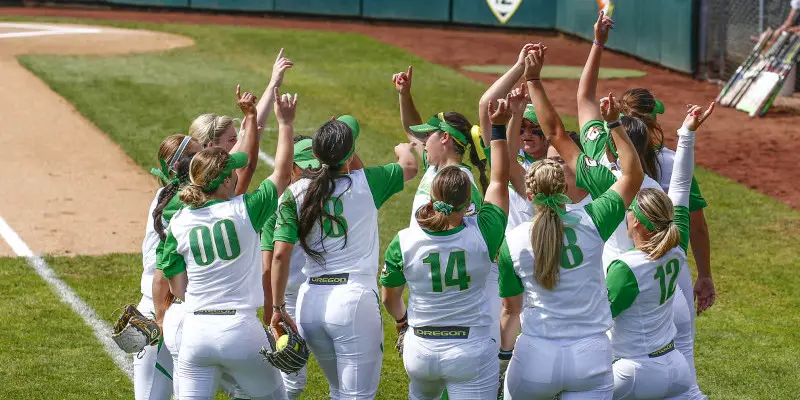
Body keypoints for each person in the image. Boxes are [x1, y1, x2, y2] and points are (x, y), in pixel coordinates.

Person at [498, 45, 644, 399]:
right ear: (566, 186)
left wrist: (505, 123)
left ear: (528, 193)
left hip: (535, 356)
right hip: (591, 356)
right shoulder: (594, 218)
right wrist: (614, 126)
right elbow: (632, 174)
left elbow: (510, 310)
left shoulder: (513, 243)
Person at [158, 87, 296, 400]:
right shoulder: (245, 208)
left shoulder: (179, 222)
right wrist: (285, 124)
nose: (236, 173)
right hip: (241, 331)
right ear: (223, 181)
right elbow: (283, 173)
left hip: (195, 334)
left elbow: (178, 288)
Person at [269, 115, 418, 399]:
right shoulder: (368, 182)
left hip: (309, 303)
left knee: (338, 391)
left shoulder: (293, 193)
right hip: (353, 301)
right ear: (351, 153)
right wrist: (403, 148)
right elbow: (409, 167)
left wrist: (277, 307)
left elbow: (280, 256)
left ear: (315, 154)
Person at [380, 96, 510, 400]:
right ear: (467, 205)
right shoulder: (480, 234)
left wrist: (402, 323)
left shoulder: (404, 241)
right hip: (469, 346)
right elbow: (500, 182)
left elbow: (389, 295)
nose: (423, 142)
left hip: (421, 346)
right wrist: (500, 129)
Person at [607, 103, 714, 399]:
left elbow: (597, 320)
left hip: (633, 372)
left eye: (629, 211)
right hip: (674, 361)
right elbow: (679, 184)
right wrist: (687, 134)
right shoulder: (675, 242)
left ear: (637, 224)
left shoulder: (626, 267)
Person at [137, 133, 201, 400]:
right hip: (162, 303)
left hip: (165, 300)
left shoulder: (169, 194)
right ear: (180, 166)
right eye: (196, 155)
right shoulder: (179, 202)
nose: (202, 159)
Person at [260, 134, 318, 400]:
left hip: (290, 299)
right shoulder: (341, 193)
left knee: (291, 374)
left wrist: (272, 308)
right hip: (329, 291)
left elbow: (269, 263)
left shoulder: (277, 204)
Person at [391, 66, 488, 224]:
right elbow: (411, 128)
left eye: (428, 135)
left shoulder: (463, 182)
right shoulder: (434, 168)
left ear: (444, 137)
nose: (423, 141)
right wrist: (404, 94)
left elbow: (468, 230)